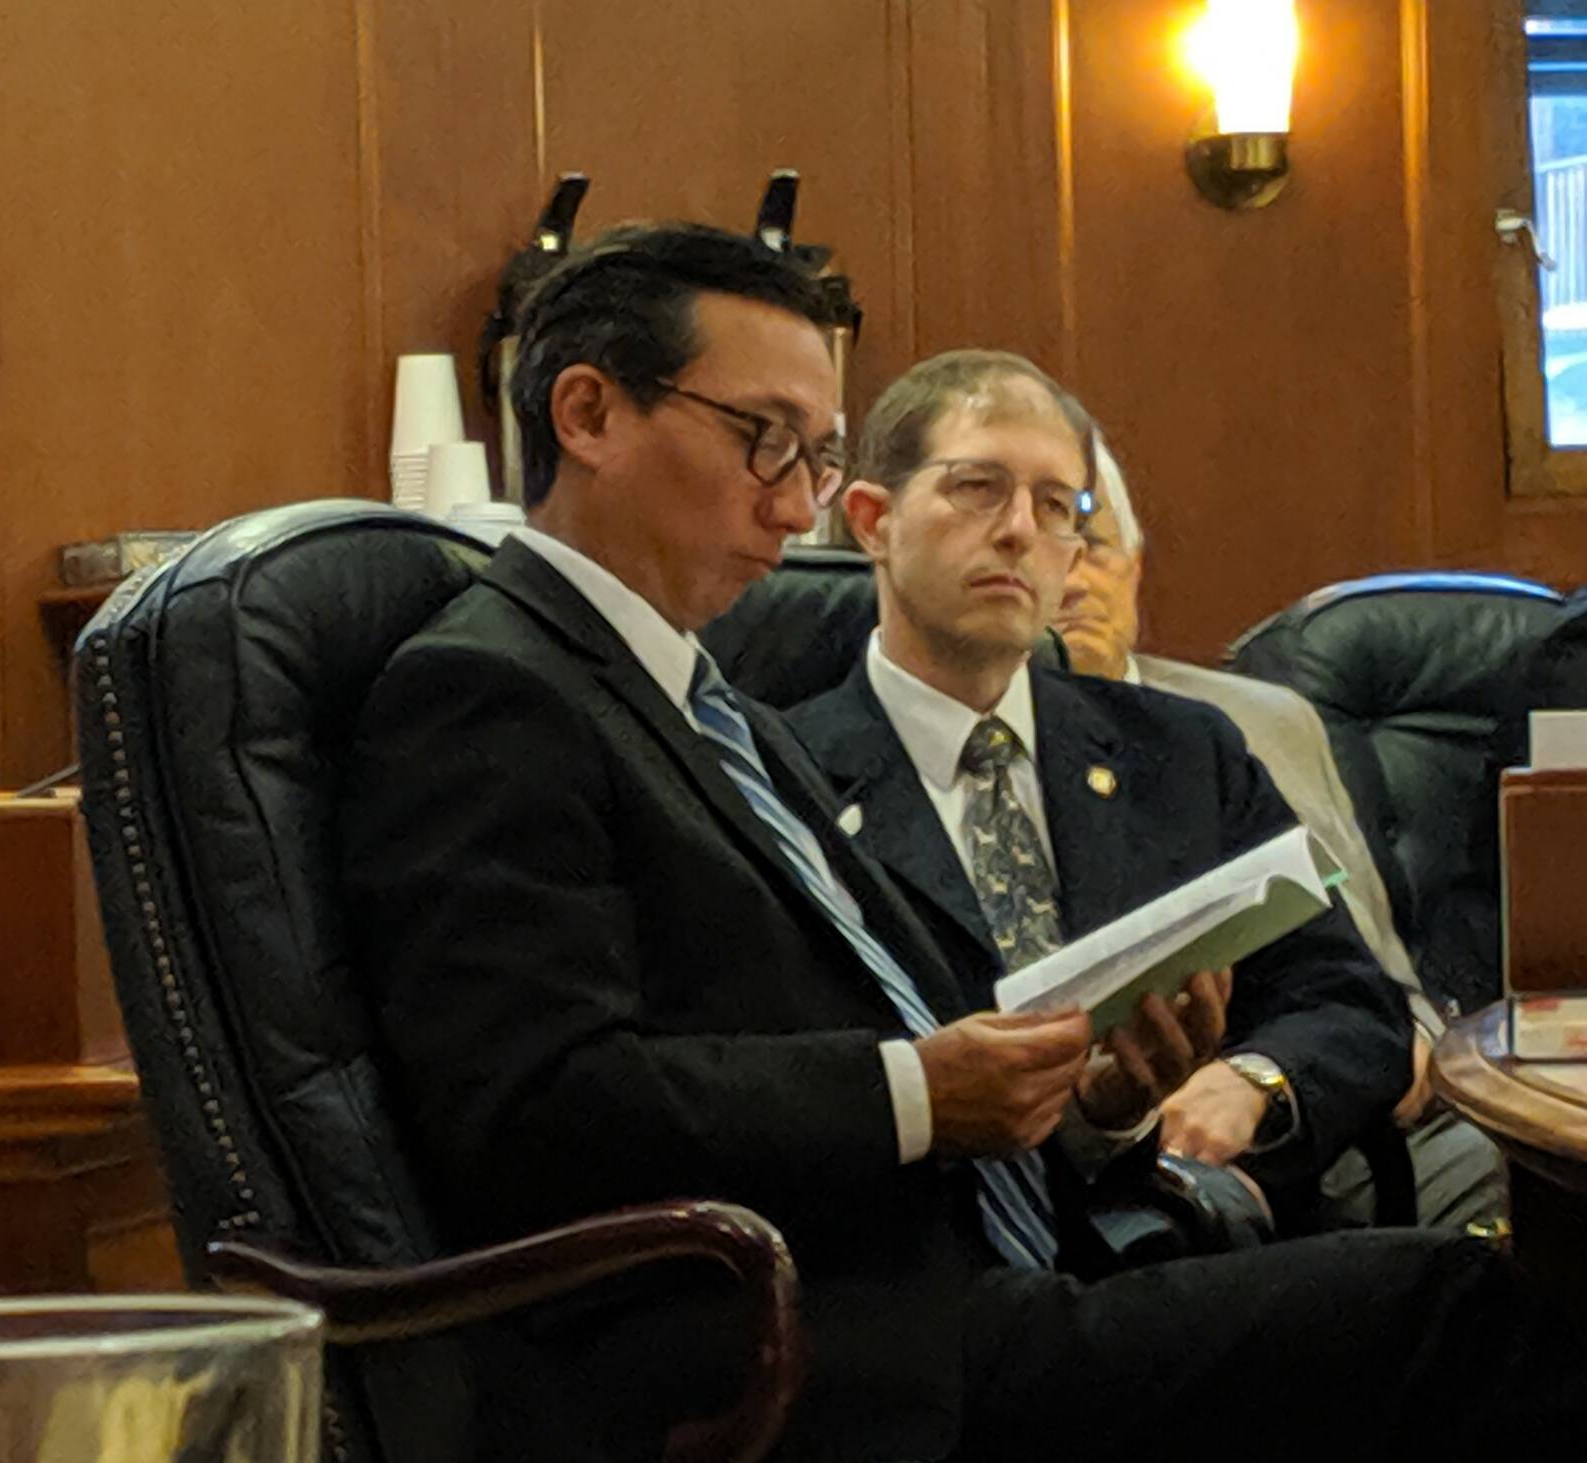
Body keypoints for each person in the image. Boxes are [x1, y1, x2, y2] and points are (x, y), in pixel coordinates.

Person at [339, 224, 1582, 1463]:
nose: (791, 501)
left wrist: (1085, 1100)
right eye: (761, 437)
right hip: (811, 1345)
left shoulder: (710, 709)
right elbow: (532, 1107)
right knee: (1473, 1307)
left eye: (814, 455)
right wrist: (921, 1095)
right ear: (587, 412)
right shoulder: (489, 689)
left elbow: (896, 1011)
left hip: (998, 1257)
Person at [787, 349, 1408, 1212]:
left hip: (1192, 1224)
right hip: (951, 1266)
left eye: (1055, 506)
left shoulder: (1183, 750)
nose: (1020, 532)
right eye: (977, 488)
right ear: (871, 520)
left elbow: (1349, 996)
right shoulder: (785, 780)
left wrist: (1256, 1080)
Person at [1053, 436, 1507, 1229]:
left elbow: (1370, 965)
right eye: (1048, 546)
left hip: (1355, 1100)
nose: (1070, 578)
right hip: (1156, 1159)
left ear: (1135, 564)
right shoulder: (999, 754)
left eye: (1092, 542)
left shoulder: (1263, 719)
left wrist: (1404, 1044)